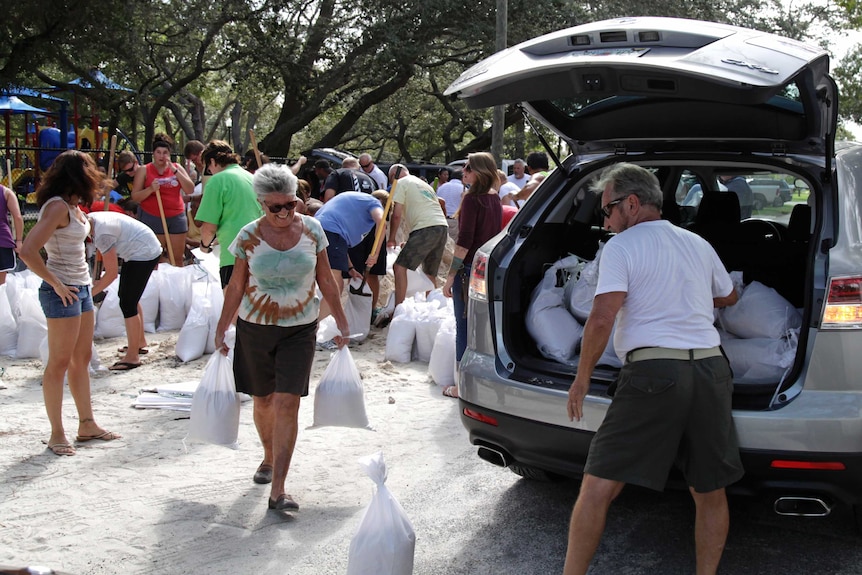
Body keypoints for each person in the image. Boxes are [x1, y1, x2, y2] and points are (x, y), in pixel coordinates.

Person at [562, 163, 743, 575]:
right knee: (710, 492)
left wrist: (582, 378)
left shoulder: (621, 248)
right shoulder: (697, 243)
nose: (604, 221)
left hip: (654, 375)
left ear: (630, 203)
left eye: (606, 210)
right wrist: (686, 293)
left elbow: (602, 317)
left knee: (597, 488)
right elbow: (729, 296)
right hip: (712, 371)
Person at [214, 163, 349, 512]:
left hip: (300, 328)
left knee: (288, 401)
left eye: (291, 204)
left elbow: (326, 280)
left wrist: (342, 320)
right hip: (255, 328)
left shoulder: (313, 231)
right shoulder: (246, 236)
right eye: (276, 207)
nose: (285, 212)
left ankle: (279, 490)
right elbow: (236, 285)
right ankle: (268, 456)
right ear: (261, 203)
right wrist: (222, 326)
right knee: (263, 400)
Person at [18, 150, 121, 457]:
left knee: (83, 357)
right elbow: (27, 251)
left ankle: (86, 424)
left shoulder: (74, 208)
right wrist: (56, 282)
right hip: (63, 291)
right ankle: (56, 433)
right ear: (79, 175)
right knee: (59, 363)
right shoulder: (58, 207)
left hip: (81, 288)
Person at [442, 153, 502, 398]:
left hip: (468, 270)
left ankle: (461, 385)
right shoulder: (494, 198)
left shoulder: (472, 200)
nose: (463, 172)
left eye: (468, 168)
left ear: (480, 171)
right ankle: (477, 381)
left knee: (463, 327)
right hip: (484, 270)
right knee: (480, 328)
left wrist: (449, 276)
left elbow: (464, 242)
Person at [88, 211, 162, 370]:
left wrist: (89, 294)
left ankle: (133, 357)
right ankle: (139, 342)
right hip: (138, 248)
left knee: (127, 303)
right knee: (128, 298)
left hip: (144, 252)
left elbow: (112, 273)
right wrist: (97, 280)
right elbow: (103, 257)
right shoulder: (93, 219)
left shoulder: (102, 234)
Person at [195, 140, 263, 288]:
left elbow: (209, 227)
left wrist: (204, 246)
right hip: (260, 254)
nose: (210, 173)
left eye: (208, 169)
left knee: (233, 310)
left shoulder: (217, 181)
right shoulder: (253, 179)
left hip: (234, 257)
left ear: (212, 161)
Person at [314, 190, 387, 321]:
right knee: (335, 284)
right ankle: (318, 329)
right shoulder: (374, 203)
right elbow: (381, 222)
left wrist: (351, 268)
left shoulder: (355, 203)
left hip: (315, 229)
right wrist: (375, 254)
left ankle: (312, 325)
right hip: (330, 232)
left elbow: (341, 247)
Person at [387, 163, 449, 308]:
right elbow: (432, 206)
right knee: (429, 273)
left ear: (392, 177)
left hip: (425, 228)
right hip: (441, 227)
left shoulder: (401, 183)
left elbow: (396, 215)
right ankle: (432, 309)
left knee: (399, 266)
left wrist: (391, 239)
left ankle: (399, 308)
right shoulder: (423, 184)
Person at [131, 133, 195, 266]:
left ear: (169, 154)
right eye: (158, 152)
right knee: (155, 258)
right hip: (153, 216)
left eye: (165, 152)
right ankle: (157, 285)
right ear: (153, 153)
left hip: (176, 216)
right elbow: (135, 197)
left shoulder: (177, 168)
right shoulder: (145, 170)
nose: (162, 156)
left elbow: (190, 189)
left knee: (177, 258)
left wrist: (175, 172)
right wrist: (150, 189)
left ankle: (175, 284)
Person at [0, 183, 25, 285]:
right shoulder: (6, 192)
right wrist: (19, 241)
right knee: (1, 284)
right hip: (2, 240)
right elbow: (18, 217)